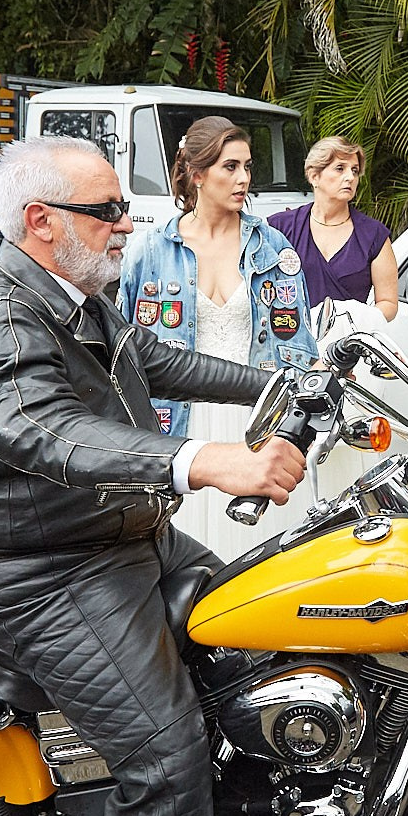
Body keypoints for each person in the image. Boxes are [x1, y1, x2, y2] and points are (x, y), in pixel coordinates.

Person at [0, 136, 306, 816]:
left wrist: (278, 383)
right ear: (40, 220)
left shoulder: (79, 297)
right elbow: (41, 429)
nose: (126, 225)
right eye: (107, 211)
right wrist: (201, 461)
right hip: (50, 572)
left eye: (122, 209)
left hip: (130, 537)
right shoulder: (1, 319)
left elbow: (157, 359)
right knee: (165, 762)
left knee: (257, 650)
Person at [121, 115, 318, 558]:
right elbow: (125, 351)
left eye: (247, 167)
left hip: (259, 420)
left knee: (265, 560)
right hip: (179, 423)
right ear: (197, 174)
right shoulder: (150, 250)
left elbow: (299, 344)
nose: (243, 178)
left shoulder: (272, 247)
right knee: (186, 555)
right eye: (230, 167)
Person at [267, 134, 400, 321]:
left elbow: (388, 303)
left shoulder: (373, 235)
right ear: (314, 176)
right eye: (340, 168)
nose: (350, 177)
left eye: (354, 171)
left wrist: (352, 321)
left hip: (349, 337)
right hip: (290, 334)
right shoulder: (280, 228)